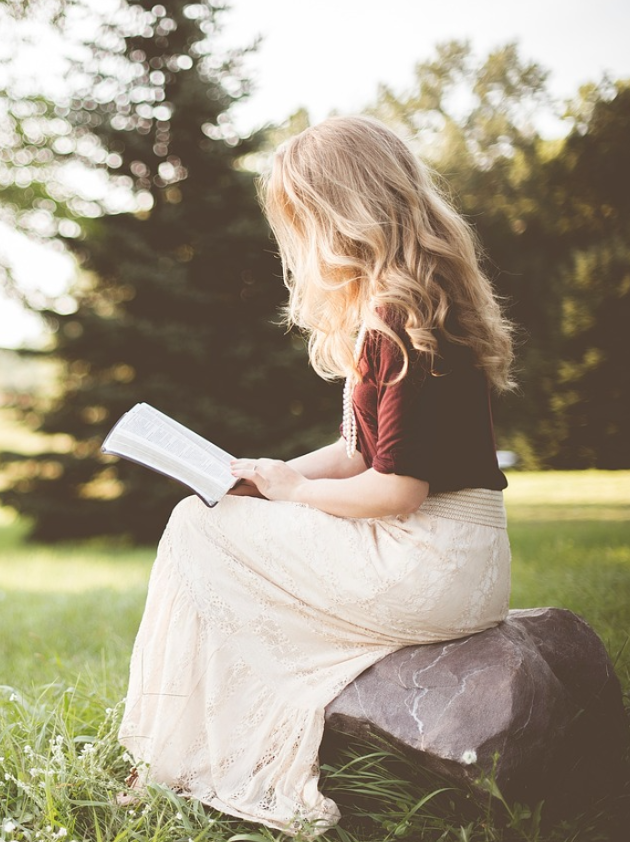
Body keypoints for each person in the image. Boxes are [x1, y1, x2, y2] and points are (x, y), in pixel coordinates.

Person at [116, 115, 516, 838]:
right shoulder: (415, 300)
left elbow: (397, 490)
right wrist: (263, 476)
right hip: (460, 559)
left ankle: (176, 758)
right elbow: (358, 452)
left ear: (341, 213)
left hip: (429, 559)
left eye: (301, 218)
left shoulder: (398, 316)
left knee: (194, 526)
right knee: (214, 517)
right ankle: (187, 749)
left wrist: (295, 495)